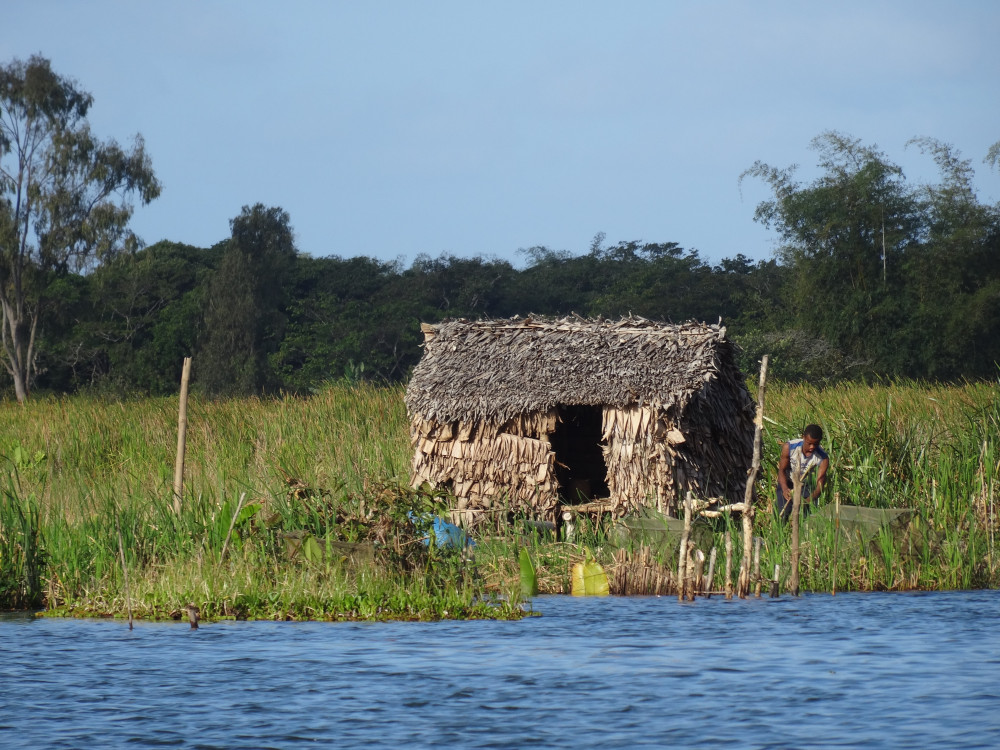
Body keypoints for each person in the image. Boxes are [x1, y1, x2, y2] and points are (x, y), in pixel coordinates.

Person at [776, 424, 829, 521]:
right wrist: (784, 489)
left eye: (816, 444)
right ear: (803, 437)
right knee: (782, 514)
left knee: (807, 518)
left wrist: (808, 500)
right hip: (788, 482)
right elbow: (782, 470)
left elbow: (819, 485)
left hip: (806, 486)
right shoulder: (789, 447)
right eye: (809, 443)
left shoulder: (823, 458)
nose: (812, 447)